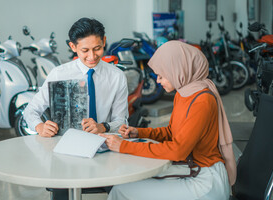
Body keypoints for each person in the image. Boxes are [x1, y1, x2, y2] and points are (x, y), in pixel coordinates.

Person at [100, 41, 236, 200]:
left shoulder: (202, 100)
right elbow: (172, 132)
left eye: (161, 76)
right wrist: (139, 132)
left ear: (178, 71)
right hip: (191, 168)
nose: (157, 80)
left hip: (206, 181)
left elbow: (177, 150)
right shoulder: (183, 93)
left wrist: (124, 146)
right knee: (126, 183)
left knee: (121, 190)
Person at [23, 17, 129, 199]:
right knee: (61, 194)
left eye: (97, 48)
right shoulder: (59, 74)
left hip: (103, 150)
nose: (92, 56)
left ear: (104, 41)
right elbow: (30, 111)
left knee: (120, 191)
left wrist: (102, 126)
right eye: (84, 50)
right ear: (73, 47)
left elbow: (122, 121)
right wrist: (40, 127)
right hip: (65, 152)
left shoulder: (117, 77)